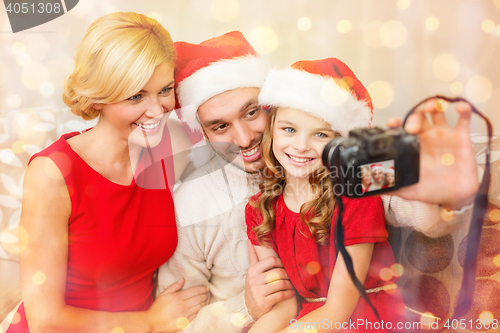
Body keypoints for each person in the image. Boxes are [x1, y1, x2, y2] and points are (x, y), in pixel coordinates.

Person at [158, 31, 478, 332]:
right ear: (202, 131)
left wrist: (445, 197)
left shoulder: (339, 166)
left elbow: (411, 204)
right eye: (219, 126)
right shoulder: (193, 204)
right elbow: (177, 322)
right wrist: (245, 306)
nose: (243, 138)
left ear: (275, 105)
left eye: (252, 112)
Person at [7, 12, 208, 333]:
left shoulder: (167, 143)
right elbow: (46, 320)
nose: (157, 110)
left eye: (165, 90)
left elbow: (236, 125)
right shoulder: (52, 174)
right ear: (99, 97)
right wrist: (151, 322)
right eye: (136, 96)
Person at [245, 58, 405, 332]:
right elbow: (284, 303)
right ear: (271, 129)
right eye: (289, 129)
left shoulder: (356, 197)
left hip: (365, 320)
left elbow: (338, 311)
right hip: (304, 320)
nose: (301, 146)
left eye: (320, 134)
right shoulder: (260, 209)